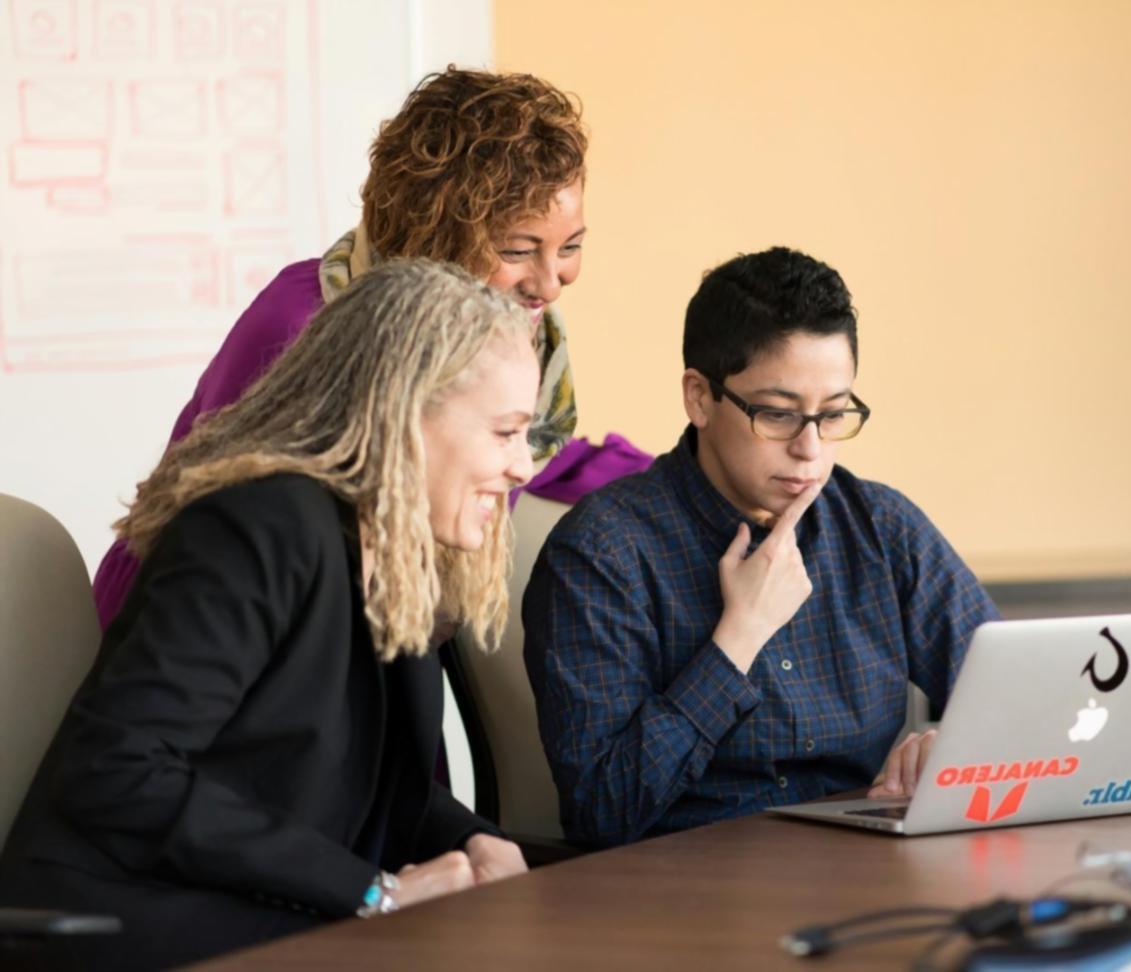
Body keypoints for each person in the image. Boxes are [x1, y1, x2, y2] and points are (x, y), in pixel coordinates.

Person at [0, 260, 535, 970]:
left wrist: (473, 842)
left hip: (259, 910)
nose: (524, 466)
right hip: (122, 920)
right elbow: (120, 771)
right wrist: (373, 893)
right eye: (505, 432)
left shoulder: (394, 550)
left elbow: (371, 785)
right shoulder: (254, 528)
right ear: (408, 413)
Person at [91, 66, 608, 630]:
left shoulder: (510, 336)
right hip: (193, 628)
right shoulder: (304, 323)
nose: (551, 284)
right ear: (437, 235)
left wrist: (666, 475)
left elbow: (511, 447)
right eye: (517, 251)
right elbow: (222, 527)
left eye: (570, 247)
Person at [522, 247, 1001, 848]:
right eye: (777, 415)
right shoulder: (602, 554)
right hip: (686, 880)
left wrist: (956, 747)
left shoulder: (881, 527)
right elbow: (603, 810)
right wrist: (738, 639)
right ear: (700, 397)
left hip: (863, 868)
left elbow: (1016, 698)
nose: (810, 450)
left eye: (833, 415)